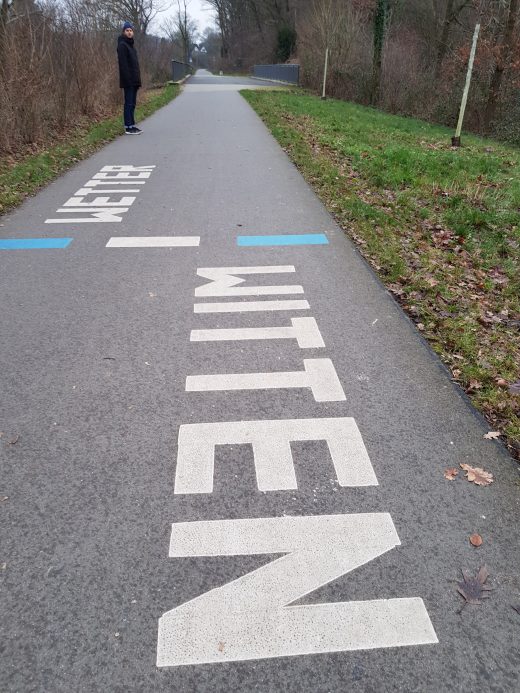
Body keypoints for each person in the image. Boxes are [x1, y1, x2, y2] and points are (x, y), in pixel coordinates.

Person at [117, 21, 142, 135]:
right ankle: (128, 127)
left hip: (135, 80)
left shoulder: (131, 45)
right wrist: (128, 80)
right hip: (129, 81)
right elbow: (123, 65)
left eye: (131, 30)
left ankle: (132, 125)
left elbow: (135, 65)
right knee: (128, 103)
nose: (129, 32)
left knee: (133, 103)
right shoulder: (122, 45)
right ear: (123, 32)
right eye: (127, 30)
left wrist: (137, 80)